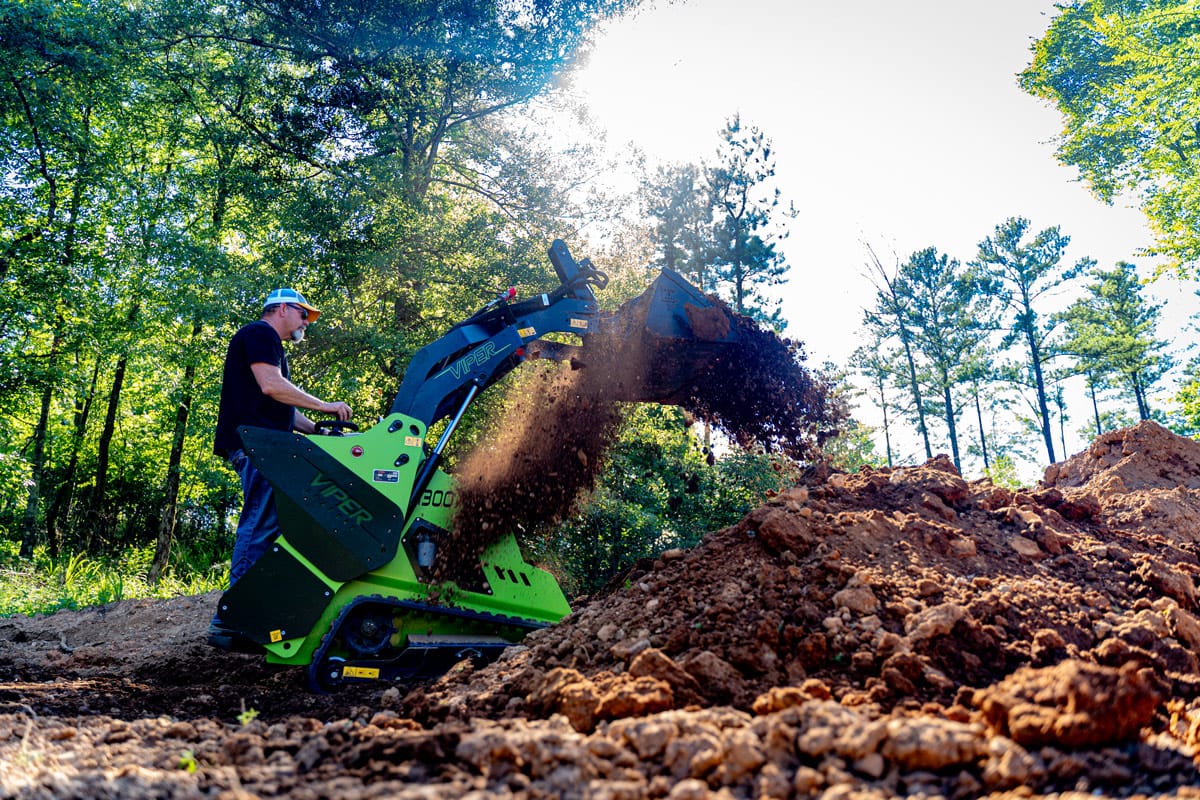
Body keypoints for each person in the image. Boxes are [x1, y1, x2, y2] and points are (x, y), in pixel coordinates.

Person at [208, 288, 352, 649]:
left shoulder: (270, 346)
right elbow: (273, 388)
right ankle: (231, 622)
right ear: (283, 309)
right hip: (257, 447)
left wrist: (318, 430)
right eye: (303, 315)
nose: (306, 323)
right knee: (258, 527)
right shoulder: (259, 334)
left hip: (267, 445)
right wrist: (326, 405)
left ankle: (250, 614)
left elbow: (283, 407)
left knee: (269, 527)